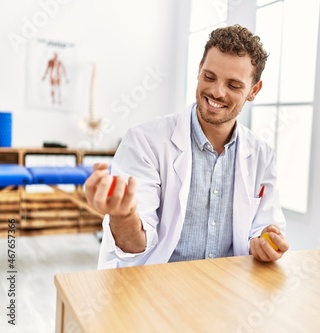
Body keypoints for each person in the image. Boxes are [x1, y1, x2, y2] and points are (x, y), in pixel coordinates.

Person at [84, 24, 289, 269]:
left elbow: (264, 228)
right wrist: (122, 215)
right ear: (199, 70)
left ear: (254, 90)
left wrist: (264, 243)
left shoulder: (261, 156)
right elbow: (133, 247)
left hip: (229, 288)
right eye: (209, 77)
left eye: (233, 85)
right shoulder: (144, 142)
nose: (216, 91)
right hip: (156, 286)